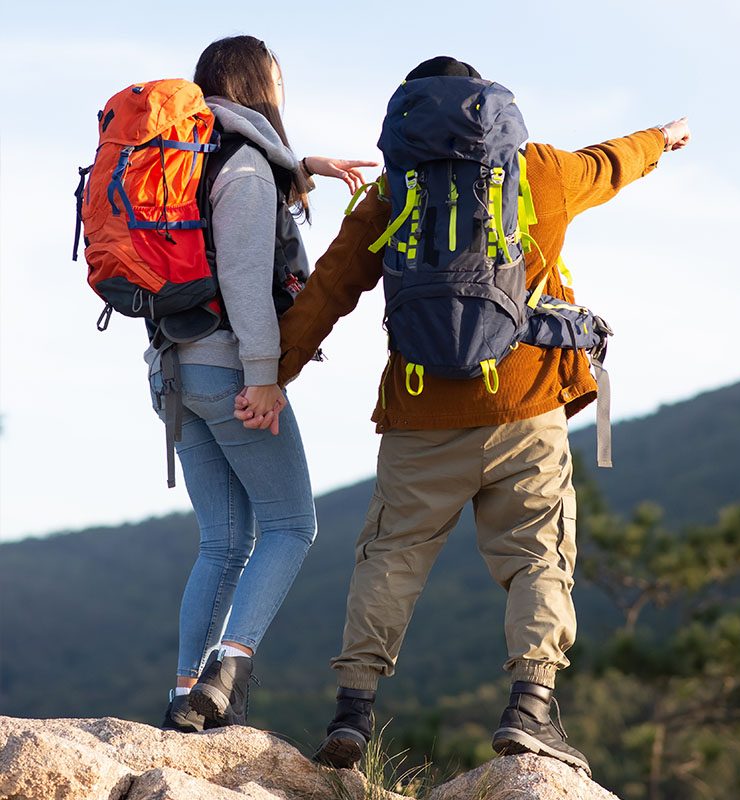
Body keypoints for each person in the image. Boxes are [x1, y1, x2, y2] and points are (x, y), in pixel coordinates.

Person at [247, 56, 690, 773]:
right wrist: (663, 139)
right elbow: (611, 161)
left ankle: (353, 714)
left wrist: (273, 376)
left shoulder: (394, 191)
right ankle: (530, 710)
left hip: (420, 412)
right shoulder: (539, 170)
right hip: (528, 405)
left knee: (391, 558)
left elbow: (328, 289)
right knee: (537, 555)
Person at [147, 35, 377, 733]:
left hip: (171, 373)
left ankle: (184, 695)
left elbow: (234, 199)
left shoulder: (181, 153)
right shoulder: (245, 167)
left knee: (222, 541)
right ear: (259, 85)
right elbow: (246, 282)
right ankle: (228, 670)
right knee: (290, 525)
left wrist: (304, 165)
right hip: (226, 369)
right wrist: (264, 379)